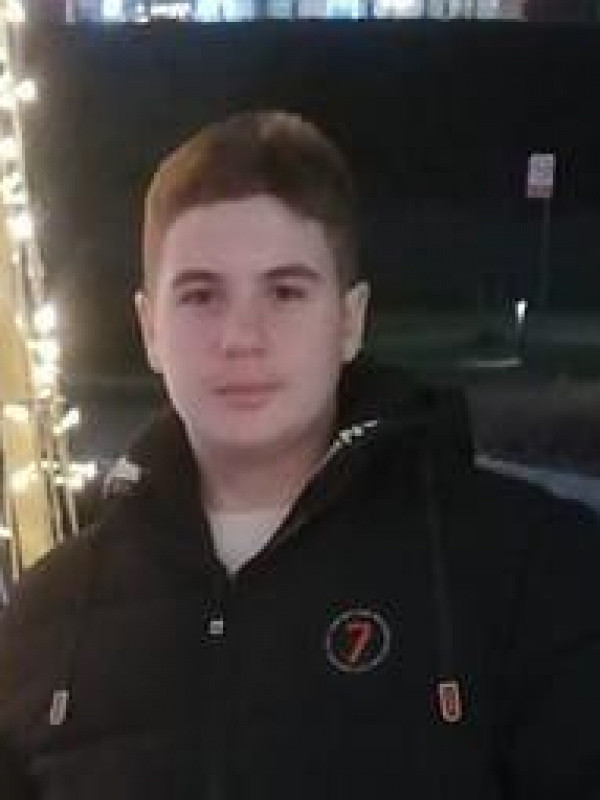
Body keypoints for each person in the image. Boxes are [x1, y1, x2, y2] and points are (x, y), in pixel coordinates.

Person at [1, 110, 600, 799]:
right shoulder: (49, 615)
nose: (241, 337)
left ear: (349, 320)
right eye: (200, 295)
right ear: (150, 329)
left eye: (285, 291)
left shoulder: (527, 570)